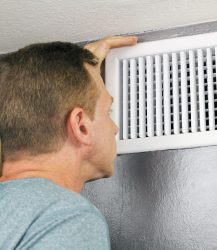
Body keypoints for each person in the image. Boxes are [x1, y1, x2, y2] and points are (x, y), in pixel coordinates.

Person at [0, 36, 138, 249]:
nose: (114, 128)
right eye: (108, 111)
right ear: (81, 126)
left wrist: (79, 83)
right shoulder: (68, 217)